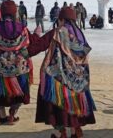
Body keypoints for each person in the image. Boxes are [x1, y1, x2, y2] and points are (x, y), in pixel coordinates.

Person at [35, 7, 96, 138]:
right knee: (75, 103)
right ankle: (75, 131)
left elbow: (38, 46)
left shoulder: (57, 33)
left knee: (56, 104)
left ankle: (59, 132)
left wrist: (33, 37)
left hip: (58, 79)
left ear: (61, 19)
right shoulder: (81, 36)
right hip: (79, 79)